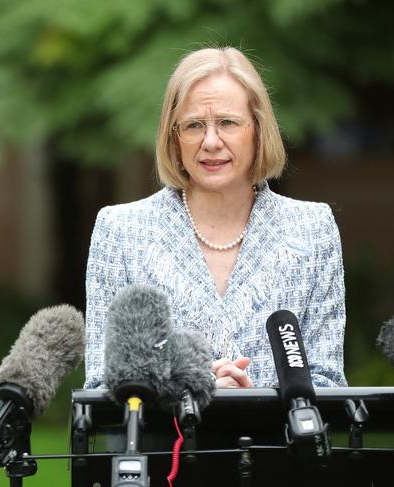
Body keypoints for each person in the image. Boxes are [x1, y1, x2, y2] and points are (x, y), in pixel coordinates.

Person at [84, 47, 347, 391]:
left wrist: (254, 404)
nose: (210, 142)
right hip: (166, 445)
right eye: (193, 125)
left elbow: (328, 382)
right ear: (174, 138)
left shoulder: (312, 228)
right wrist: (192, 390)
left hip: (277, 444)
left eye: (227, 123)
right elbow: (101, 384)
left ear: (257, 129)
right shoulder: (120, 231)